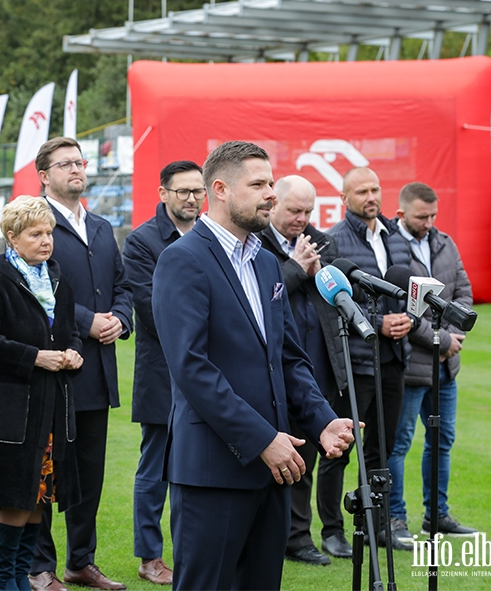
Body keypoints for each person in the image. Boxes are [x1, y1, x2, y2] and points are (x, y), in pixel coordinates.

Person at [152, 141, 358, 591]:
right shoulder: (182, 260)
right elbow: (192, 369)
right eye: (259, 184)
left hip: (274, 471)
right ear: (221, 189)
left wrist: (322, 421)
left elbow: (286, 358)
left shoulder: (267, 262)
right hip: (213, 471)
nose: (270, 194)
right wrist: (264, 439)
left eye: (271, 182)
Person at [29, 137, 133, 591]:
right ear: (44, 175)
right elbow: (35, 285)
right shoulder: (33, 224)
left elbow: (124, 286)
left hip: (97, 372)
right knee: (48, 472)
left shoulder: (102, 226)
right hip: (55, 370)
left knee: (89, 474)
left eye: (80, 161)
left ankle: (81, 562)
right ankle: (40, 567)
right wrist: (89, 321)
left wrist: (121, 321)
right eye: (65, 163)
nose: (76, 168)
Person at [0, 196, 84, 591]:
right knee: (16, 497)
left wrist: (72, 352)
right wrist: (35, 357)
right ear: (12, 238)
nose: (46, 241)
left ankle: (21, 577)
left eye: (49, 232)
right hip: (12, 408)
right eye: (36, 234)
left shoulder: (57, 280)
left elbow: (70, 333)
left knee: (39, 498)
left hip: (52, 407)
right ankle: (3, 583)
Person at [321, 166, 414, 556]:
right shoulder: (333, 242)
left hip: (393, 360)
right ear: (345, 199)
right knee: (341, 448)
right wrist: (379, 322)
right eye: (361, 191)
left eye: (375, 189)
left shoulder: (396, 237)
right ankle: (332, 531)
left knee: (383, 449)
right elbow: (334, 305)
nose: (371, 197)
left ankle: (376, 527)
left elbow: (405, 286)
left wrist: (410, 317)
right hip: (355, 362)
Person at [257, 175, 348, 567]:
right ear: (274, 204)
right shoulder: (257, 244)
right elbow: (265, 297)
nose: (302, 218)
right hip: (278, 366)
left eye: (308, 211)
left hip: (321, 362)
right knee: (289, 458)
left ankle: (311, 532)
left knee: (317, 453)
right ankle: (293, 537)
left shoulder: (323, 242)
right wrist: (295, 269)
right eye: (294, 210)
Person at [122, 160, 205, 586]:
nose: (191, 198)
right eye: (182, 191)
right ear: (163, 193)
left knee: (198, 470)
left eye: (197, 190)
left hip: (207, 373)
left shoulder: (211, 235)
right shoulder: (142, 242)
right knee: (155, 469)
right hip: (162, 374)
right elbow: (154, 311)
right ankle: (150, 557)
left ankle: (194, 555)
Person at [387, 182, 477, 544]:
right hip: (411, 367)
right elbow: (403, 307)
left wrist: (451, 337)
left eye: (433, 215)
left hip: (445, 366)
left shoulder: (445, 243)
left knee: (442, 440)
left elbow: (463, 292)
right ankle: (395, 519)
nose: (429, 222)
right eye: (421, 216)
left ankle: (436, 516)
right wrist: (439, 339)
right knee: (400, 443)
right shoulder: (393, 249)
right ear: (401, 214)